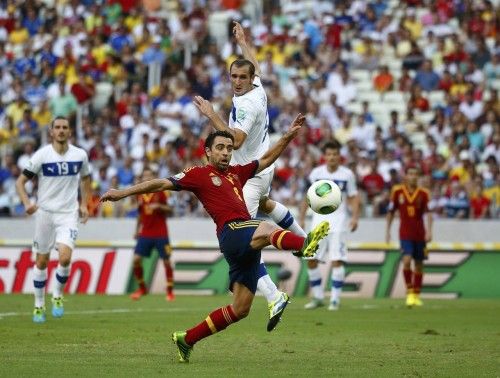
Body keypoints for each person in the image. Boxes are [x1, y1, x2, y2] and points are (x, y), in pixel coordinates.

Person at [100, 116, 330, 363]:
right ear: (208, 151)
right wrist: (122, 193)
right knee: (266, 227)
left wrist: (286, 137)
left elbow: (265, 160)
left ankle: (187, 339)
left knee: (240, 309)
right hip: (232, 231)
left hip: (243, 244)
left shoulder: (236, 173)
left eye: (230, 149)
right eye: (220, 148)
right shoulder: (198, 174)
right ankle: (304, 246)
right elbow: (160, 184)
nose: (225, 153)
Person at [193, 21, 308, 332]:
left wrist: (211, 115)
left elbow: (236, 140)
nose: (239, 81)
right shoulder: (257, 86)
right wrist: (243, 42)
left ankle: (274, 294)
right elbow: (254, 65)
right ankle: (301, 238)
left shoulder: (244, 104)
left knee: (245, 241)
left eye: (242, 77)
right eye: (235, 76)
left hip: (249, 175)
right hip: (261, 170)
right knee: (267, 206)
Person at [15, 116, 91, 323]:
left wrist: (85, 204)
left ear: (69, 131)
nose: (61, 130)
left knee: (65, 258)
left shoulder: (80, 155)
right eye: (57, 127)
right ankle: (39, 305)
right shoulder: (42, 156)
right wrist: (26, 203)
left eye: (64, 127)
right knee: (41, 261)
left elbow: (86, 179)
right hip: (45, 214)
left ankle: (57, 294)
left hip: (68, 214)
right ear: (51, 132)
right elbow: (20, 182)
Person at [299, 140, 360, 311]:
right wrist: (302, 217)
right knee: (310, 259)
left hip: (339, 224)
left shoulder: (347, 175)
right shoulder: (316, 174)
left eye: (335, 154)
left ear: (339, 156)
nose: (332, 157)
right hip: (318, 223)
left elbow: (354, 197)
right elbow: (307, 196)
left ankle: (334, 300)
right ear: (324, 157)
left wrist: (355, 217)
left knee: (337, 260)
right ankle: (318, 297)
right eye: (329, 154)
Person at [385, 166, 433, 307]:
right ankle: (410, 291)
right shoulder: (397, 191)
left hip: (420, 234)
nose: (413, 176)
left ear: (418, 177)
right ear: (405, 176)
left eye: (415, 174)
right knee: (406, 260)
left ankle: (417, 295)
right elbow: (391, 212)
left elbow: (429, 213)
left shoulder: (424, 193)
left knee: (419, 264)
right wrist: (387, 231)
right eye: (410, 173)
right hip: (405, 233)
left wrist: (429, 231)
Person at [129, 167, 175, 302]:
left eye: (149, 175)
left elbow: (170, 210)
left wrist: (159, 207)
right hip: (146, 233)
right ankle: (142, 288)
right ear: (142, 178)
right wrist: (137, 229)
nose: (147, 178)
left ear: (154, 177)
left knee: (166, 261)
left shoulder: (162, 192)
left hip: (161, 233)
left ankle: (170, 291)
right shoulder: (139, 194)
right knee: (136, 260)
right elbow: (140, 214)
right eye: (145, 176)